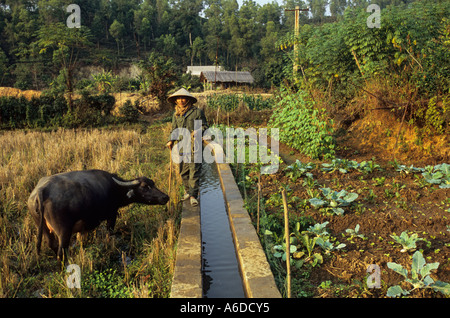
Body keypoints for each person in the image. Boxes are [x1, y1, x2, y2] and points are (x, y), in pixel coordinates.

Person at [166, 88, 208, 207]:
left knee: (194, 171)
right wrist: (170, 140)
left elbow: (205, 127)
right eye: (178, 98)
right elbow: (174, 130)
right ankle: (188, 192)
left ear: (188, 99)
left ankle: (193, 195)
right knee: (183, 171)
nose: (181, 100)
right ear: (175, 101)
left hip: (195, 146)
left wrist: (198, 130)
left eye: (183, 98)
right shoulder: (176, 114)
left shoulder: (197, 112)